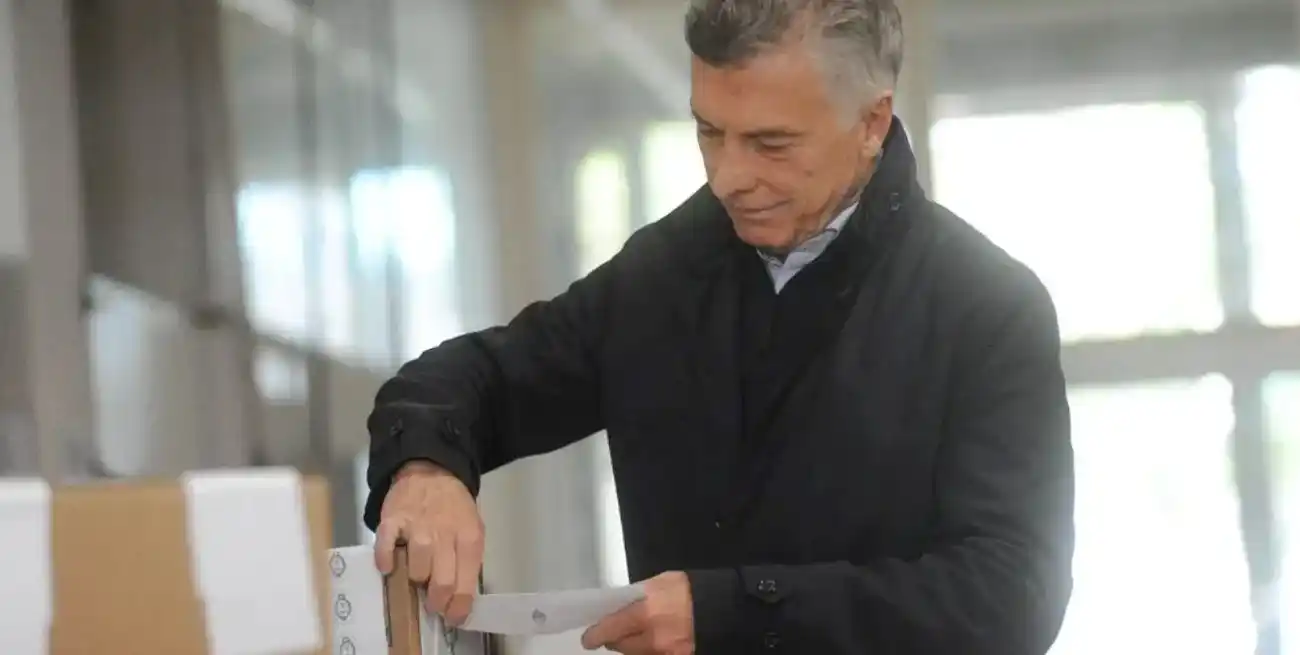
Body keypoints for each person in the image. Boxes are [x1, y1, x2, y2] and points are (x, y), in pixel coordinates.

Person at [365, 0, 1074, 652]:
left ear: (871, 124)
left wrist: (735, 610)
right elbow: (479, 377)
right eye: (709, 131)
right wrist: (426, 465)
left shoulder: (988, 307)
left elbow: (1012, 597)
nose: (728, 177)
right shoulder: (663, 273)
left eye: (770, 143)